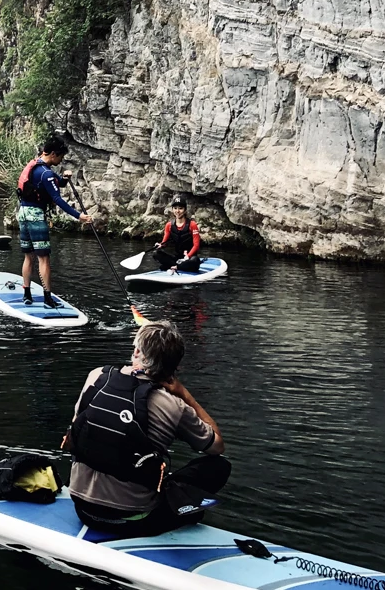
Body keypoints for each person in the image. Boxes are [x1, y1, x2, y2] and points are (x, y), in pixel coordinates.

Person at [63, 320, 229, 537]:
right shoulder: (174, 406)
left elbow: (78, 426)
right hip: (132, 521)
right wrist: (185, 395)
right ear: (174, 367)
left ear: (137, 352)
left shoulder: (97, 377)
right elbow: (217, 446)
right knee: (219, 466)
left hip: (82, 508)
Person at [16, 133, 91, 307]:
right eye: (61, 156)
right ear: (53, 154)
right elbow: (57, 198)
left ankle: (27, 294)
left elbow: (58, 183)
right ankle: (48, 299)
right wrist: (79, 216)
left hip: (23, 213)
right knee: (44, 259)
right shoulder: (46, 173)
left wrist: (64, 178)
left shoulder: (37, 166)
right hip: (35, 215)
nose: (61, 160)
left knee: (29, 257)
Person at [155, 195, 201, 272]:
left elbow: (196, 245)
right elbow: (164, 243)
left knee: (195, 260)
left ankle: (175, 266)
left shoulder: (192, 224)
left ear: (185, 210)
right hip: (176, 259)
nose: (177, 211)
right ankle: (177, 266)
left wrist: (188, 256)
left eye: (180, 208)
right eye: (175, 208)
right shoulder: (169, 225)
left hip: (189, 258)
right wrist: (160, 245)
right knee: (156, 254)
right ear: (172, 210)